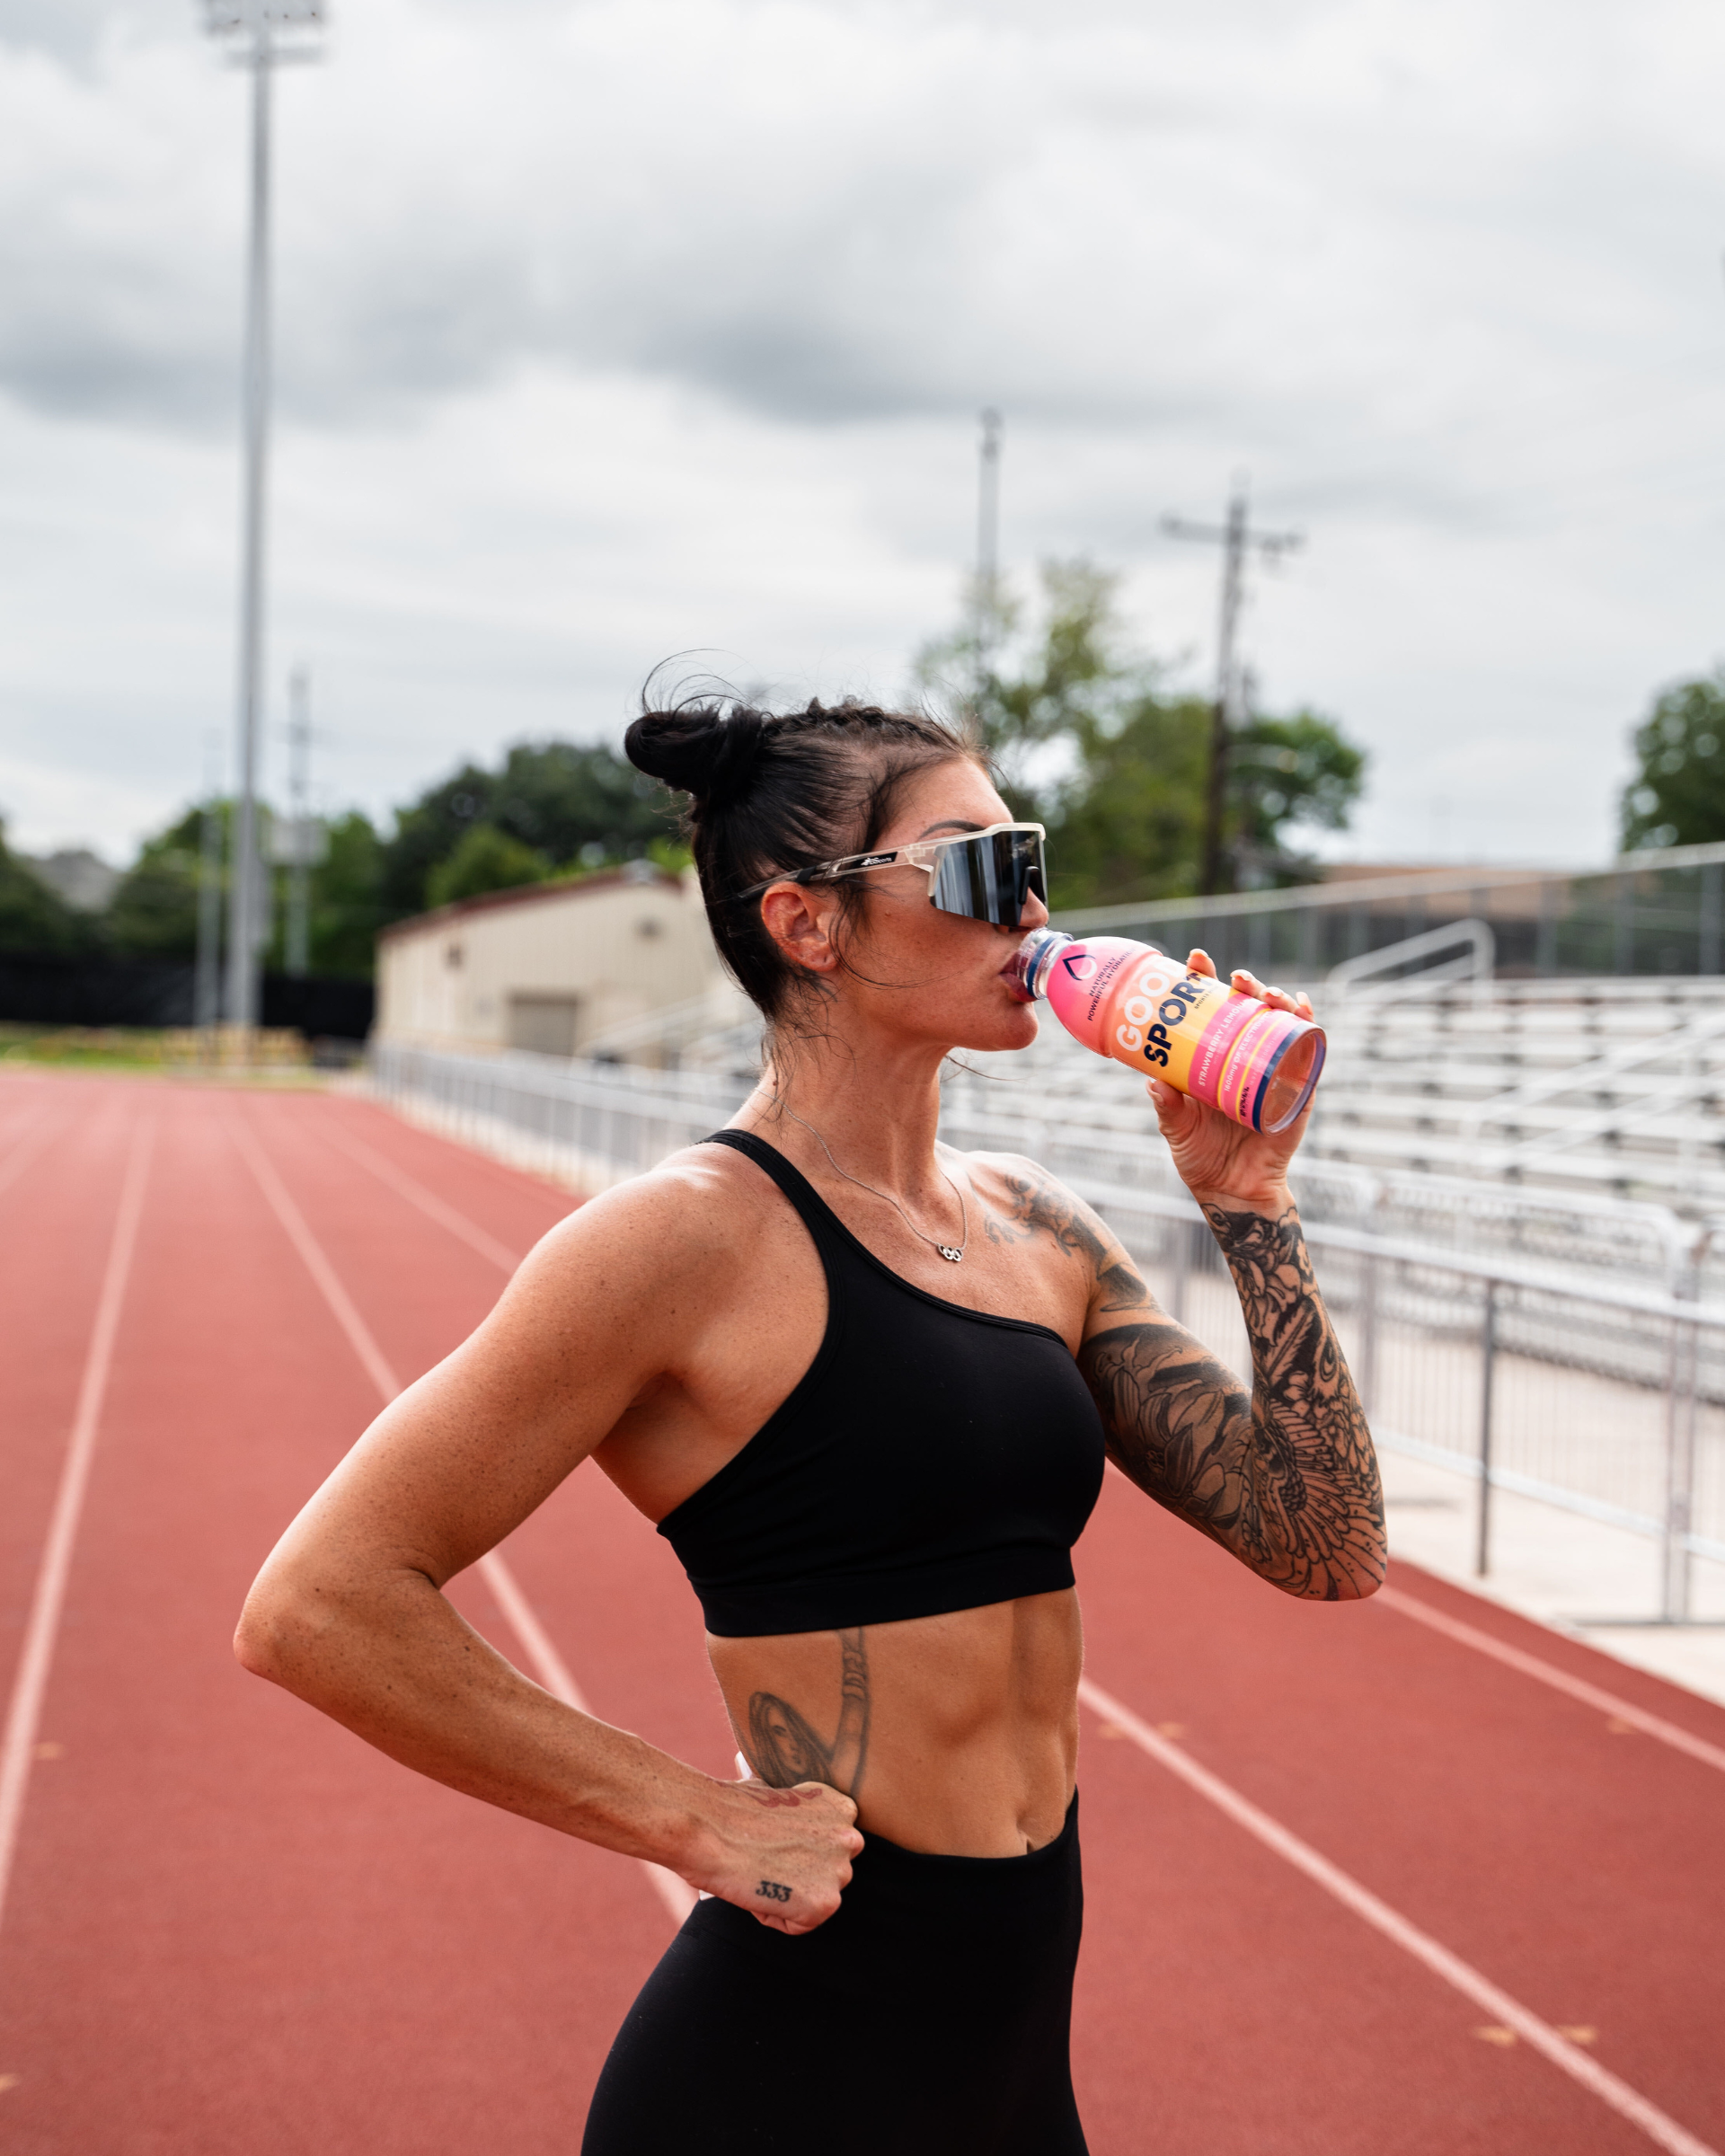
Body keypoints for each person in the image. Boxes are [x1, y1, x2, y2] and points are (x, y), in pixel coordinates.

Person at [235, 696, 1385, 2155]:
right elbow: (315, 1607)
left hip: (1016, 2051)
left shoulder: (1043, 1226)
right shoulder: (678, 1243)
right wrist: (685, 1819)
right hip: (789, 2068)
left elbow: (1327, 1546)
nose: (1032, 906)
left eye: (1031, 856)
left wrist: (1250, 1202)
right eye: (976, 867)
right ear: (810, 925)